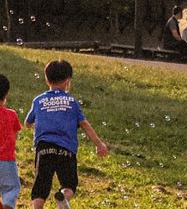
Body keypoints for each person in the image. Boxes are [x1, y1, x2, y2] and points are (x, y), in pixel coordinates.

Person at [24, 60, 108, 209]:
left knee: (41, 185)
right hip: (66, 149)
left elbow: (27, 122)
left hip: (44, 148)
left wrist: (39, 125)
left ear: (46, 79)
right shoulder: (71, 101)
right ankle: (63, 197)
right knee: (69, 184)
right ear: (68, 81)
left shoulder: (38, 100)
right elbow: (84, 124)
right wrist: (99, 144)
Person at [0, 74, 21, 209]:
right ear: (6, 94)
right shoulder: (12, 114)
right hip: (7, 160)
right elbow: (16, 132)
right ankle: (7, 204)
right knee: (11, 188)